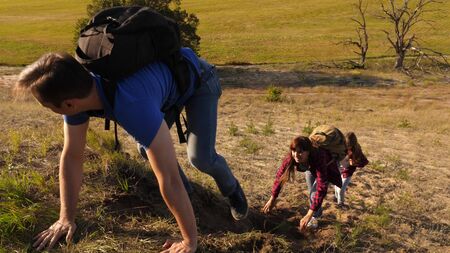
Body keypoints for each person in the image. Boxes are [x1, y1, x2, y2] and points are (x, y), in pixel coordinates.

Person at [15, 48, 248, 252]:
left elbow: (169, 179)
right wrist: (66, 218)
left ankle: (232, 190)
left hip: (197, 80)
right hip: (159, 94)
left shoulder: (131, 104)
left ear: (68, 104)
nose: (47, 110)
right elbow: (72, 156)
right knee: (148, 150)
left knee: (201, 158)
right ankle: (189, 200)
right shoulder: (77, 91)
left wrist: (189, 241)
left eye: (46, 106)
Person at [262, 136, 342, 231]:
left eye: (300, 152)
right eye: (293, 151)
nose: (296, 155)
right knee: (311, 193)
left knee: (314, 194)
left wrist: (308, 214)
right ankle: (317, 212)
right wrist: (272, 199)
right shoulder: (291, 157)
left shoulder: (319, 156)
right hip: (309, 166)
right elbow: (280, 177)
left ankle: (313, 218)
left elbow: (322, 187)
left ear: (308, 151)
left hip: (327, 166)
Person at [334, 132, 369, 208]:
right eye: (346, 145)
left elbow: (364, 162)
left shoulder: (356, 150)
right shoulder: (341, 146)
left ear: (352, 144)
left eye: (349, 145)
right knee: (336, 185)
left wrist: (354, 163)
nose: (347, 147)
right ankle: (336, 198)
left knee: (340, 188)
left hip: (347, 172)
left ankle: (340, 203)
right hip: (339, 168)